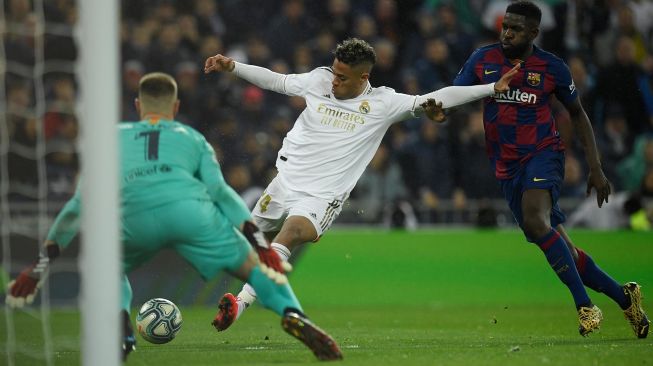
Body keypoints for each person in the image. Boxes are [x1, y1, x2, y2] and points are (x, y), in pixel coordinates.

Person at [5, 72, 343, 361]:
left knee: (109, 266)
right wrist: (259, 244)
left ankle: (122, 327)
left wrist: (38, 269)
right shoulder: (194, 139)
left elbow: (77, 207)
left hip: (133, 217)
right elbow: (222, 194)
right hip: (191, 213)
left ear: (138, 107)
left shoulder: (109, 139)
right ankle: (292, 314)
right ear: (176, 108)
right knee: (255, 272)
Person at [203, 38, 519, 331]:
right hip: (284, 182)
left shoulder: (383, 104)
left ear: (364, 76)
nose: (334, 80)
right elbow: (278, 81)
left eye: (342, 77)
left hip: (321, 196)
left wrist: (492, 87)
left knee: (291, 234)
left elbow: (438, 97)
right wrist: (234, 67)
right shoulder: (318, 80)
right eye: (334, 72)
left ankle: (238, 303)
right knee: (237, 241)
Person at [442, 1, 649, 338]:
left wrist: (595, 168)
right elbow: (456, 93)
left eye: (516, 28)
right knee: (558, 245)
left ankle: (585, 306)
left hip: (543, 154)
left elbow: (578, 114)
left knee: (538, 222)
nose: (507, 32)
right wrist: (440, 110)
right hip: (507, 167)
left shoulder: (551, 67)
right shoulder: (483, 59)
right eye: (505, 26)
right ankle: (624, 297)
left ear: (534, 32)